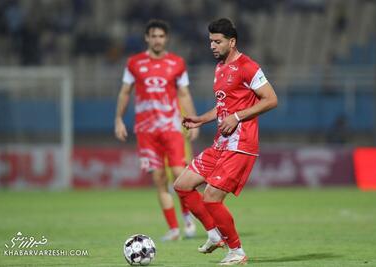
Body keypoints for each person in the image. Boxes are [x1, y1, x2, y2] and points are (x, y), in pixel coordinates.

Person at [174, 18, 278, 265]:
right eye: (210, 41)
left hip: (241, 144)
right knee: (182, 185)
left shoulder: (248, 67)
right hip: (221, 143)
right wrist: (201, 119)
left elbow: (271, 99)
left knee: (211, 197)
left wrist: (238, 116)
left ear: (232, 42)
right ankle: (213, 235)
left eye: (217, 41)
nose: (212, 45)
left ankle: (237, 251)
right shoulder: (220, 68)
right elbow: (224, 108)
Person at [114, 19, 199, 241]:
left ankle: (188, 218)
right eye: (153, 36)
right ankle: (173, 229)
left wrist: (193, 120)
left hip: (171, 127)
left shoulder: (177, 63)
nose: (157, 40)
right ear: (147, 38)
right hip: (146, 131)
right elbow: (125, 92)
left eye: (161, 36)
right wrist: (118, 120)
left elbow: (184, 94)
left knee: (180, 174)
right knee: (159, 179)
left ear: (166, 38)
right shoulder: (134, 63)